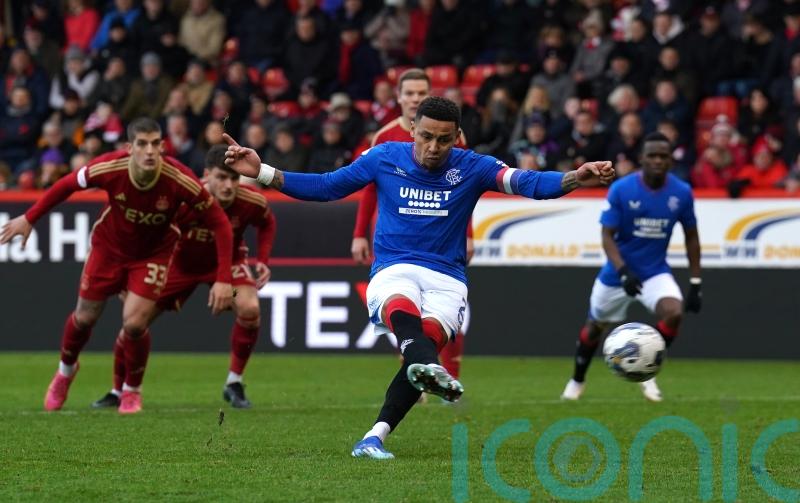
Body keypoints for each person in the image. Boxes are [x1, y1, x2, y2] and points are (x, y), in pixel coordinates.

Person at [223, 96, 614, 459]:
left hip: (448, 278)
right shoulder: (384, 157)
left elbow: (528, 184)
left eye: (443, 140)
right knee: (405, 310)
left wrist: (575, 177)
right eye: (426, 136)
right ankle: (430, 368)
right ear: (412, 129)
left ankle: (373, 437)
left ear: (456, 138)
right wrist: (262, 172)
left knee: (420, 352)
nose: (433, 147)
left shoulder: (473, 167)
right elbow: (327, 187)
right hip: (395, 267)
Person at [0, 118, 234, 414]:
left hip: (152, 254)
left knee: (135, 324)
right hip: (108, 249)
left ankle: (131, 391)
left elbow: (220, 224)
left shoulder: (179, 179)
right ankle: (65, 372)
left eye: (155, 144)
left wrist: (224, 278)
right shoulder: (109, 167)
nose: (149, 151)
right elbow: (66, 185)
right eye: (142, 144)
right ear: (130, 148)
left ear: (162, 147)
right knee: (85, 318)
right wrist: (29, 217)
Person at [92, 145, 276, 409]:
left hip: (227, 267)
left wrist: (264, 260)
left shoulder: (251, 201)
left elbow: (267, 222)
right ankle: (118, 389)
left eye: (233, 178)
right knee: (133, 324)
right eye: (221, 178)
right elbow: (148, 230)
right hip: (176, 266)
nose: (228, 186)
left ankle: (234, 382)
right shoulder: (185, 196)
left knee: (249, 308)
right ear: (206, 175)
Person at [561, 132, 701, 403]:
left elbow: (692, 237)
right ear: (642, 159)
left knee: (674, 313)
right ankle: (577, 380)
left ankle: (647, 368)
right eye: (652, 155)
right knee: (594, 328)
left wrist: (696, 282)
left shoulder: (681, 192)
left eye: (663, 156)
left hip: (654, 272)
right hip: (617, 274)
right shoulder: (622, 189)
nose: (658, 160)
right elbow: (607, 235)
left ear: (671, 160)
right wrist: (623, 270)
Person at [350, 68, 469, 383]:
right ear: (399, 97)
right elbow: (368, 187)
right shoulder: (384, 137)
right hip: (395, 240)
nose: (415, 98)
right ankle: (417, 372)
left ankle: (448, 373)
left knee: (447, 308)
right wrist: (359, 233)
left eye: (421, 93)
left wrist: (467, 233)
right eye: (410, 93)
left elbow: (464, 190)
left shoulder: (450, 134)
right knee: (403, 309)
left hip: (442, 240)